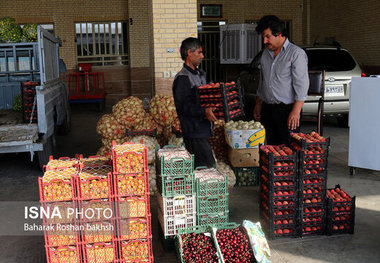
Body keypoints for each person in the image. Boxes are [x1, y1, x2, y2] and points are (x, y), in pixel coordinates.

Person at [253, 15, 309, 146]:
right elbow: (263, 81)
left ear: (278, 34)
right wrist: (258, 104)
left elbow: (302, 85)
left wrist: (296, 111)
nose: (265, 41)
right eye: (263, 37)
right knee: (272, 149)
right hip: (268, 108)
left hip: (288, 110)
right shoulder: (265, 54)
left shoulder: (296, 54)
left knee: (289, 149)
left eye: (267, 37)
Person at [172, 37, 217, 168]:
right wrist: (204, 111)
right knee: (208, 167)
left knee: (203, 167)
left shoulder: (201, 74)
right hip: (193, 131)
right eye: (199, 52)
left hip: (202, 129)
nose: (202, 56)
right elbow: (184, 106)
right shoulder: (183, 78)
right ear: (189, 53)